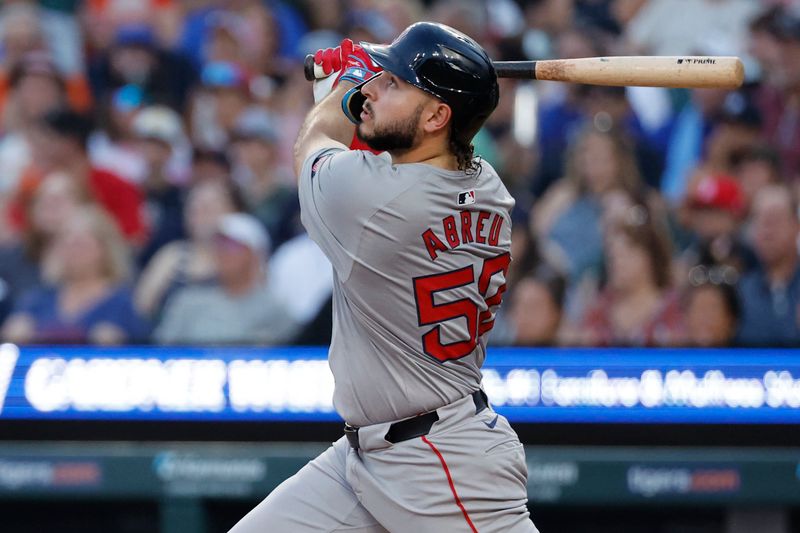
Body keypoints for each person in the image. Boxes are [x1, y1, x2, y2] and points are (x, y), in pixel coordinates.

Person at [230, 22, 537, 533]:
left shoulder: (373, 201)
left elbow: (316, 139)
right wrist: (384, 76)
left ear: (440, 116)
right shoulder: (487, 185)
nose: (375, 87)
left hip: (440, 464)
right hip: (367, 458)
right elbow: (400, 157)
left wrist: (343, 86)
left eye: (392, 84)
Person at [153, 212, 298, 345]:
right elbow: (162, 353)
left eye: (231, 245)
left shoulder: (275, 310)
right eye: (218, 244)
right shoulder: (187, 302)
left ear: (254, 255)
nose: (222, 252)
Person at [736, 184, 800, 346]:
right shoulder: (741, 292)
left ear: (796, 226)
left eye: (774, 220)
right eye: (760, 221)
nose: (767, 231)